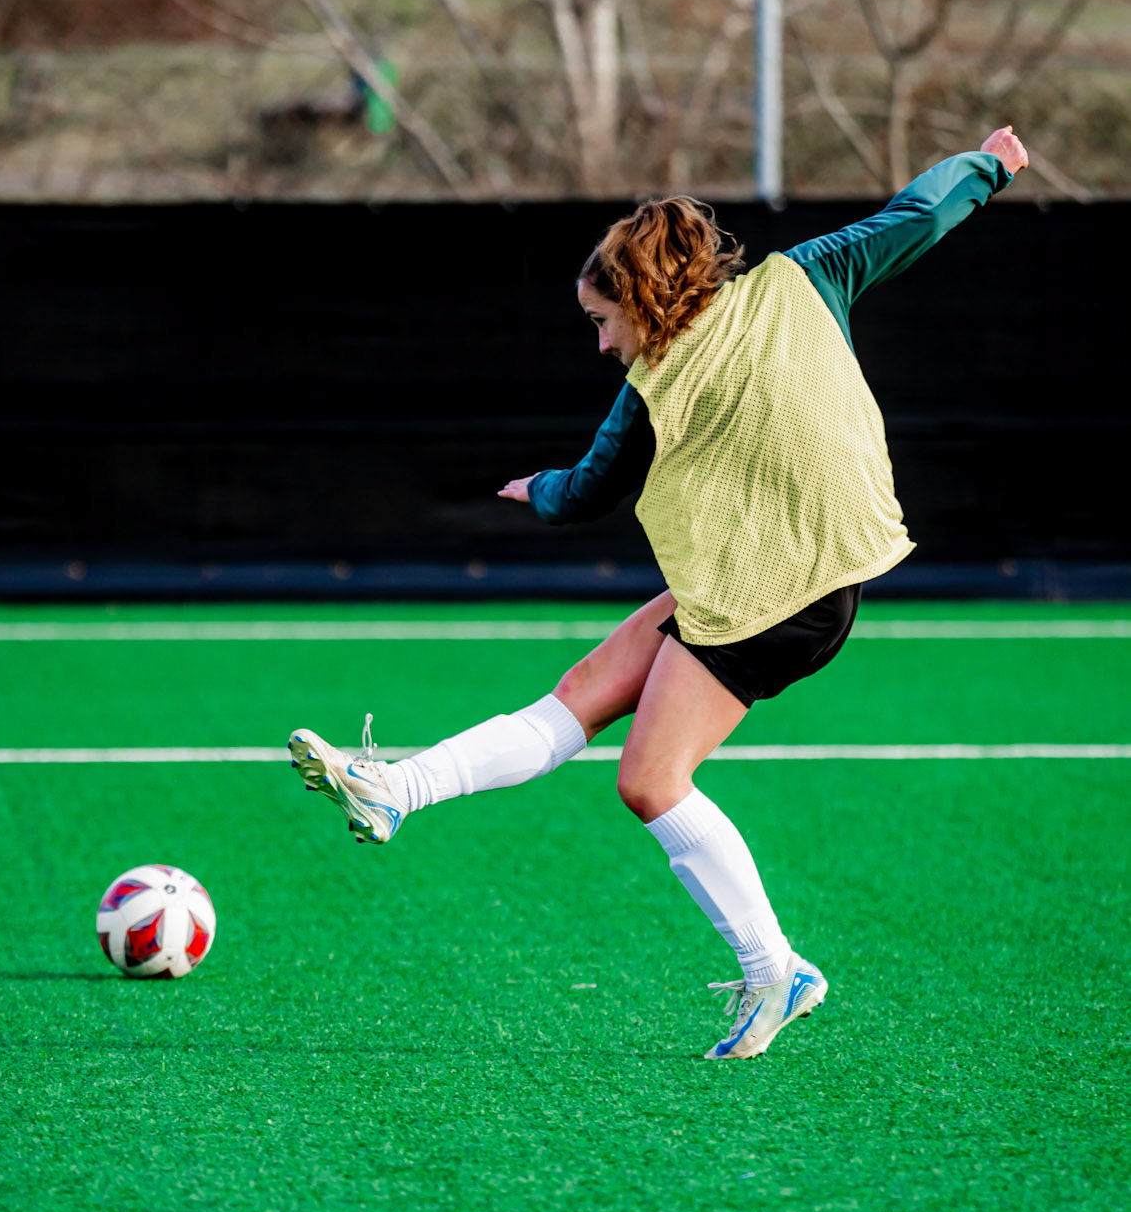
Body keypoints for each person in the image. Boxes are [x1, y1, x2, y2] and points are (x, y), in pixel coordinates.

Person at [289, 130, 1029, 1061]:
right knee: (581, 693)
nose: (600, 342)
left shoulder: (653, 383)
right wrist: (987, 165)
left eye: (603, 321)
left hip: (781, 599)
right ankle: (396, 788)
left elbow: (590, 491)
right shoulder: (801, 277)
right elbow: (913, 216)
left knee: (648, 779)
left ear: (642, 304)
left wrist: (538, 490)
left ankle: (776, 971)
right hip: (774, 579)